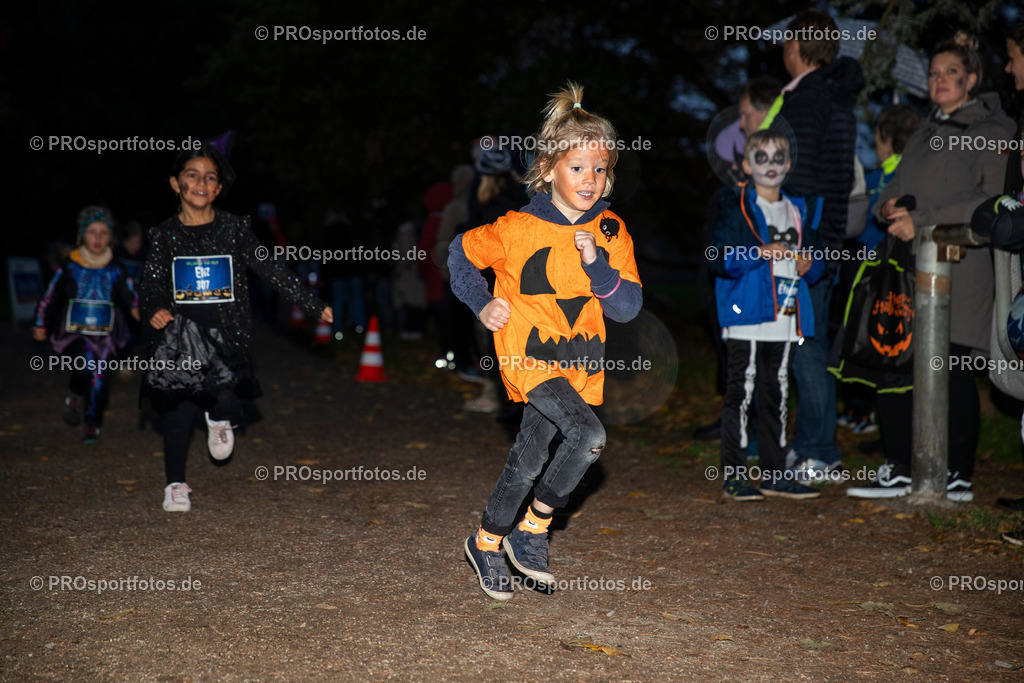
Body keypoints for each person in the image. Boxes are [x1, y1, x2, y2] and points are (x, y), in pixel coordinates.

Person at [449, 83, 641, 600]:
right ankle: (534, 530)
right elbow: (460, 253)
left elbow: (627, 307)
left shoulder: (611, 232)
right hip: (526, 350)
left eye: (599, 169)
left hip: (579, 358)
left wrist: (597, 269)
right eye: (577, 168)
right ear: (549, 168)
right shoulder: (517, 227)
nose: (589, 179)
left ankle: (487, 541)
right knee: (588, 437)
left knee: (531, 454)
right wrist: (481, 302)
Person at [847, 33, 1014, 501]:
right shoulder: (924, 129)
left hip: (964, 265)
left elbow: (988, 199)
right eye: (935, 72)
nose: (940, 80)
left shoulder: (994, 130)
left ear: (972, 79)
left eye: (951, 73)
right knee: (901, 363)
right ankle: (902, 465)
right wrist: (889, 209)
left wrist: (920, 219)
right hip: (910, 266)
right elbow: (891, 185)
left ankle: (957, 473)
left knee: (954, 365)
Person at [139, 140, 332, 512]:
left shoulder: (235, 229)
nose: (200, 182)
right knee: (177, 410)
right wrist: (154, 308)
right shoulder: (163, 235)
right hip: (178, 338)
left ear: (218, 188)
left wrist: (312, 303)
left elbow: (271, 268)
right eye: (191, 175)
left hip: (228, 335)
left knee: (227, 393)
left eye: (210, 177)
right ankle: (175, 483)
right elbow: (150, 283)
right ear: (175, 183)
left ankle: (219, 417)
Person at [768, 9, 863, 478]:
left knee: (804, 344)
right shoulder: (835, 98)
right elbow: (837, 181)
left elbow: (799, 182)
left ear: (796, 49)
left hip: (802, 247)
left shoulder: (806, 101)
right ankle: (812, 443)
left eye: (787, 43)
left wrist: (805, 249)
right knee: (810, 342)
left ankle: (819, 452)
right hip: (819, 245)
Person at [709, 130, 825, 501]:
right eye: (761, 158)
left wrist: (812, 264)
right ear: (746, 165)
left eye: (778, 158)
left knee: (777, 393)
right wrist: (759, 253)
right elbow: (719, 258)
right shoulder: (735, 204)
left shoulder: (799, 208)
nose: (770, 165)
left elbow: (817, 261)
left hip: (787, 318)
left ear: (788, 165)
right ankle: (735, 475)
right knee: (741, 393)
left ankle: (775, 473)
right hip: (747, 315)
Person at [695, 77, 782, 442]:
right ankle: (739, 420)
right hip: (730, 267)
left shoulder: (777, 157)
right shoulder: (738, 170)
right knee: (731, 345)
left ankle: (755, 427)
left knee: (759, 354)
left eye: (746, 114)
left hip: (753, 278)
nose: (741, 122)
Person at [33, 206, 140, 443]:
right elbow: (50, 296)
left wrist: (141, 311)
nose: (98, 238)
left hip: (105, 336)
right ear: (83, 234)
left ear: (110, 237)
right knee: (83, 368)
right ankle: (75, 392)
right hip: (75, 333)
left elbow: (131, 295)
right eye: (93, 232)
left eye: (103, 233)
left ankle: (93, 422)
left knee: (100, 376)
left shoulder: (116, 267)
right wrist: (40, 323)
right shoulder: (70, 265)